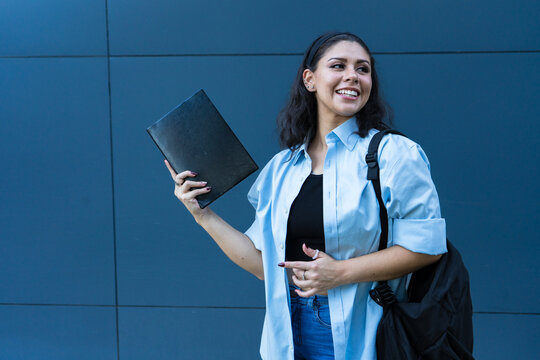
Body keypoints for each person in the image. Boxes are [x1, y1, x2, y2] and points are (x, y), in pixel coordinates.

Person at [164, 32, 447, 360]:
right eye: (338, 65)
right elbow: (263, 266)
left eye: (363, 69)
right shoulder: (284, 167)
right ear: (310, 80)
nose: (352, 76)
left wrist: (341, 272)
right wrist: (203, 215)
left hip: (364, 330)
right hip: (286, 328)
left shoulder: (394, 154)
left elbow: (427, 247)